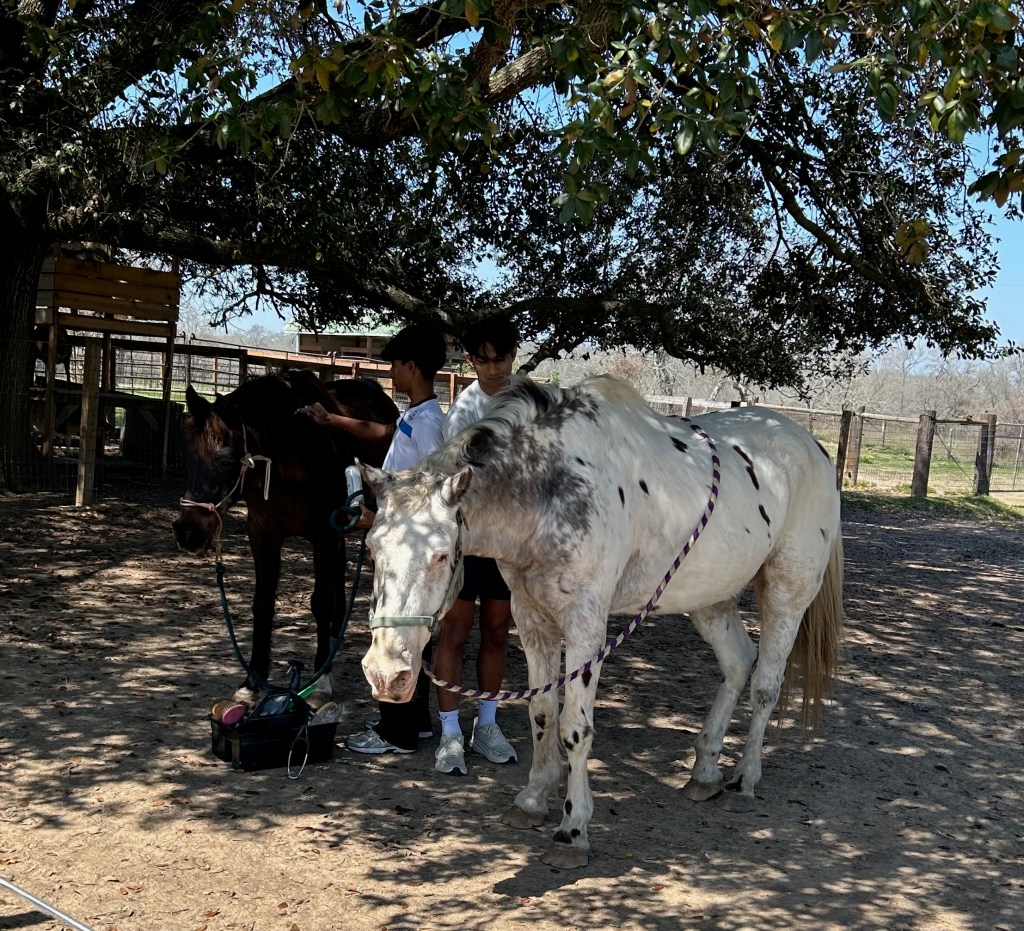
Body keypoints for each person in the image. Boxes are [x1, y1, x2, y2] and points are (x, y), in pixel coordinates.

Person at [305, 321, 448, 754]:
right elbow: (383, 433)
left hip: (406, 549)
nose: (391, 373)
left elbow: (428, 498)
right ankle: (415, 721)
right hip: (400, 543)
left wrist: (377, 520)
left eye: (395, 365)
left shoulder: (428, 426)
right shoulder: (416, 415)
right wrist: (332, 419)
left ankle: (396, 732)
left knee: (396, 629)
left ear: (411, 366)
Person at [432, 314, 522, 776]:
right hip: (467, 540)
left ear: (513, 355)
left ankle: (486, 725)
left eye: (500, 359)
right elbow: (454, 482)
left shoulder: (528, 400)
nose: (492, 369)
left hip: (509, 543)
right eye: (482, 361)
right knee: (454, 632)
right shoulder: (463, 412)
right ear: (469, 360)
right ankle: (449, 733)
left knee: (497, 632)